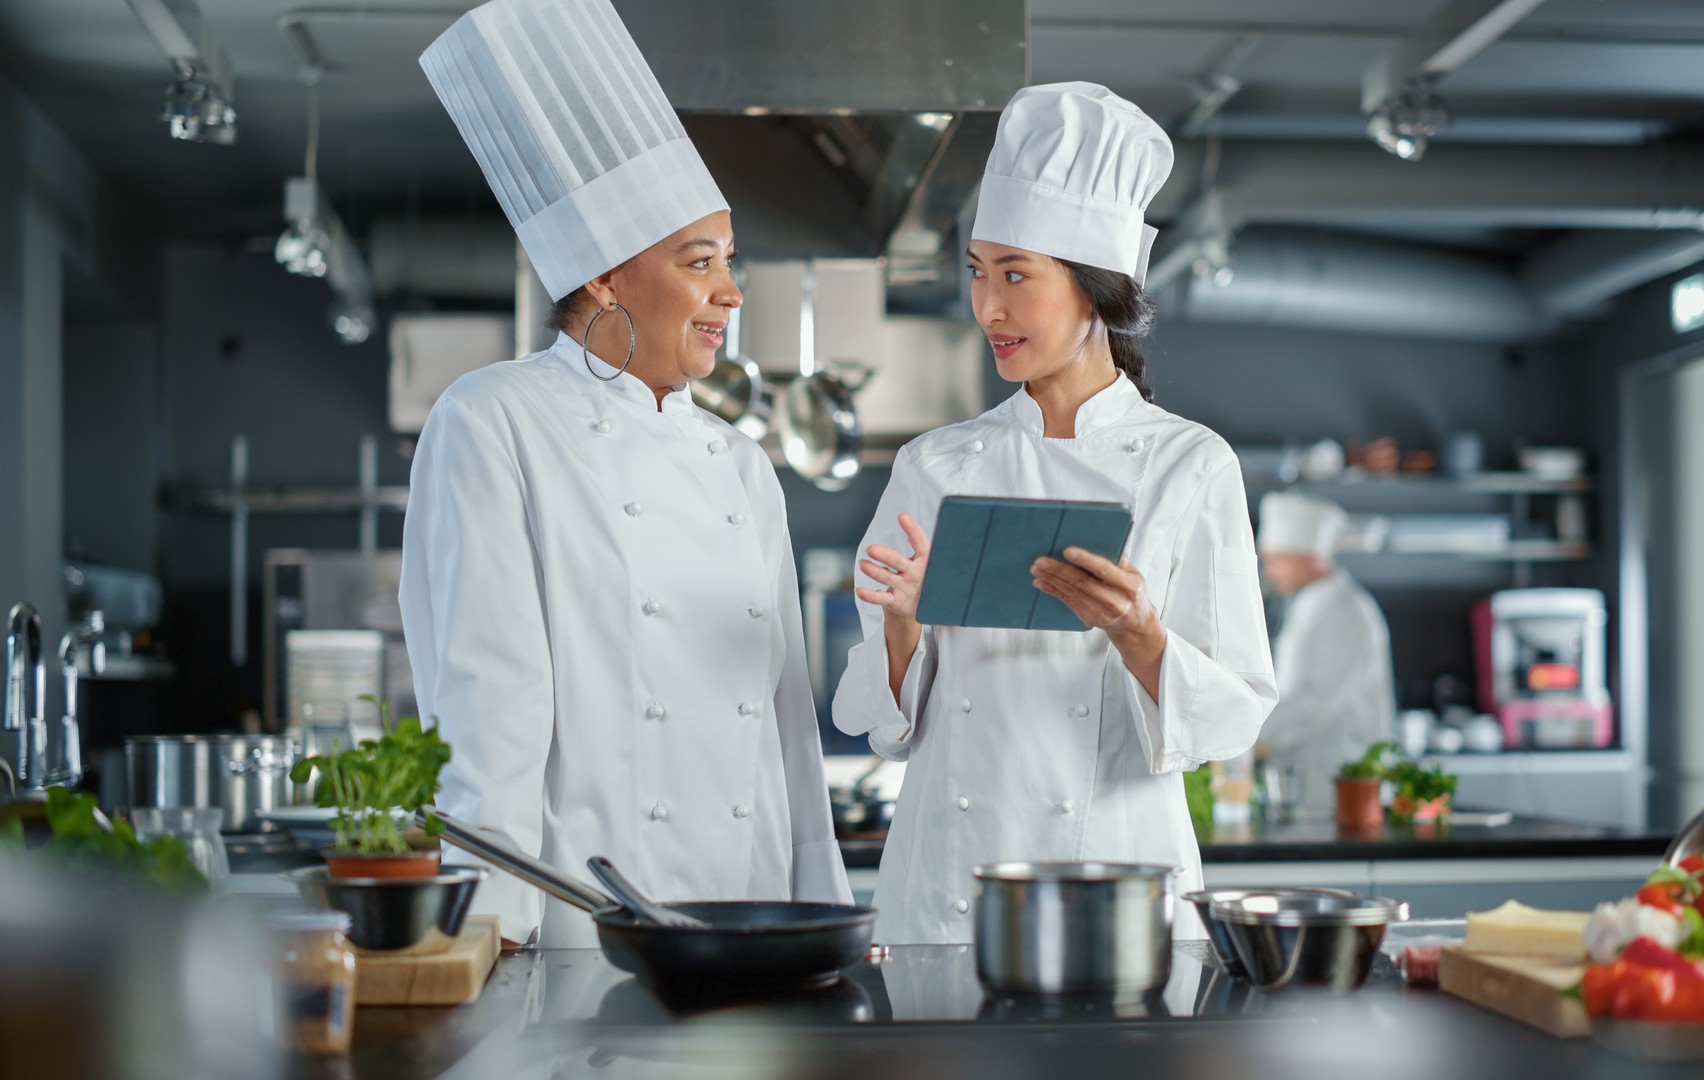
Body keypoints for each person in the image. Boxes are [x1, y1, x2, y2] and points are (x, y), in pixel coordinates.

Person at [403, 0, 849, 949]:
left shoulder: (739, 462)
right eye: (699, 262)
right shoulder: (492, 421)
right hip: (586, 930)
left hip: (750, 922)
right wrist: (494, 941)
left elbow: (785, 725)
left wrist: (821, 917)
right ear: (604, 276)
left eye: (730, 260)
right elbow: (491, 706)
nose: (731, 291)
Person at [830, 82, 1277, 944]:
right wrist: (902, 628)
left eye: (1015, 276)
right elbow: (880, 726)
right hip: (947, 887)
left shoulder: (1190, 464)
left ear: (1095, 290)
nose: (987, 307)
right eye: (977, 273)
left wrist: (1140, 634)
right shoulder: (935, 465)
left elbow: (1235, 712)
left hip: (1115, 877)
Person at [1253, 492, 1396, 817]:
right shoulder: (1310, 602)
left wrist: (1247, 737)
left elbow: (1317, 701)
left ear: (1309, 557)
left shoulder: (1343, 609)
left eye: (1276, 559)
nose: (1270, 571)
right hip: (1307, 780)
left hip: (1340, 781)